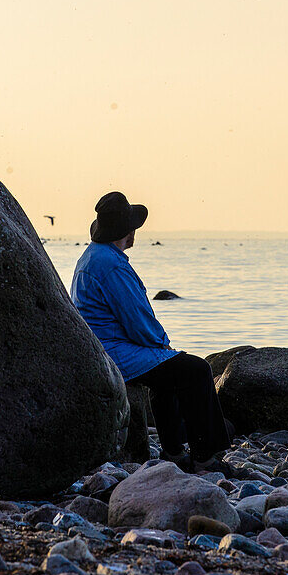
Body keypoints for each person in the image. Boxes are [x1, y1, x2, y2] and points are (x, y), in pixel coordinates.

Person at [71, 191, 232, 474]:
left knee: (166, 377)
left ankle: (174, 451)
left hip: (104, 348)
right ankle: (205, 457)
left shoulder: (94, 256)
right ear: (128, 232)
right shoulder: (112, 266)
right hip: (115, 352)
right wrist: (163, 346)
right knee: (196, 371)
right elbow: (137, 321)